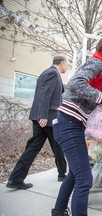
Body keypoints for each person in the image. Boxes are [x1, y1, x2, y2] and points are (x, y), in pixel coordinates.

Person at [51, 35, 102, 216]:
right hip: (68, 123)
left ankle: (59, 211)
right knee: (84, 178)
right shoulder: (98, 63)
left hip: (71, 124)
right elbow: (75, 83)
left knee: (75, 175)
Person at [6, 55, 69, 190]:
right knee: (57, 145)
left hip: (46, 118)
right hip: (46, 119)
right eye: (67, 64)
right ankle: (62, 174)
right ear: (62, 62)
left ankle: (15, 179)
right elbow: (45, 95)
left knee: (40, 147)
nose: (67, 67)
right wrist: (43, 116)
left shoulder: (48, 73)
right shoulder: (52, 73)